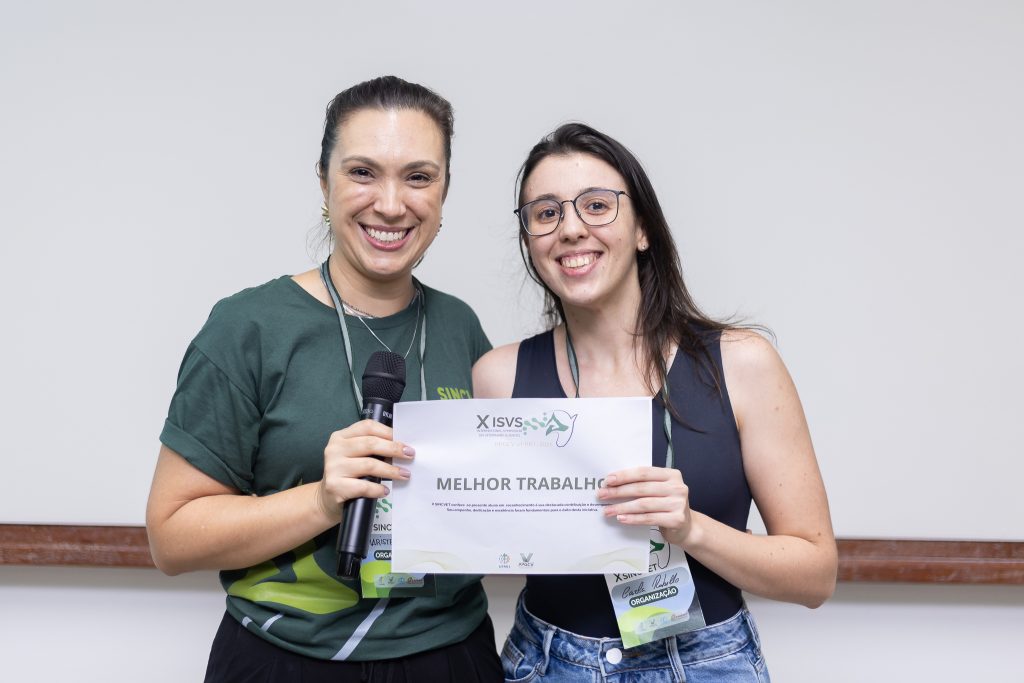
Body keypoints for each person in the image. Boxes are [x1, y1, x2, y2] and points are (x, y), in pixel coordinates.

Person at [146, 75, 502, 682]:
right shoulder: (250, 327)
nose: (391, 204)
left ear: (444, 192)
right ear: (323, 182)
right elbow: (172, 540)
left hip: (451, 654)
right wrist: (321, 500)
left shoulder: (459, 326)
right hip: (286, 660)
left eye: (419, 177)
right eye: (363, 172)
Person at [473, 123, 838, 682]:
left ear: (643, 228)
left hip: (703, 664)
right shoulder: (498, 378)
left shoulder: (741, 363)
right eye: (545, 213)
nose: (570, 228)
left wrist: (691, 529)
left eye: (597, 205)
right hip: (546, 663)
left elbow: (815, 576)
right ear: (530, 242)